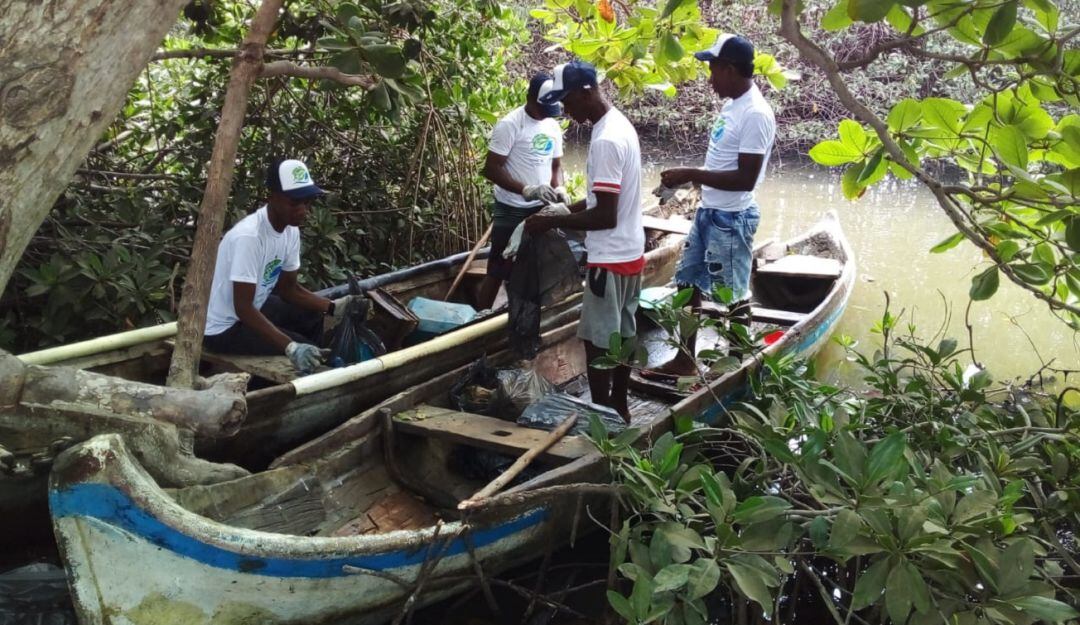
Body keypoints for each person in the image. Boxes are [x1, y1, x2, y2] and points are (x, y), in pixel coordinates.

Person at [650, 34, 776, 377]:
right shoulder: (732, 105)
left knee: (732, 294)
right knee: (688, 283)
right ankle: (685, 360)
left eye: (713, 70)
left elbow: (746, 178)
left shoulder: (756, 114)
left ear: (731, 69)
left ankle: (735, 363)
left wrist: (692, 173)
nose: (710, 79)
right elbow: (722, 163)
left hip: (732, 218)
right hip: (709, 212)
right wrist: (689, 180)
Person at [525, 60, 643, 422]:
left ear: (586, 91)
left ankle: (602, 412)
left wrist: (551, 224)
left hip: (608, 257)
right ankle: (620, 406)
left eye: (568, 100)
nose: (565, 110)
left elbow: (604, 215)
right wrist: (563, 211)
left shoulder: (605, 141)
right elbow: (601, 200)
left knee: (596, 341)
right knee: (624, 333)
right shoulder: (620, 125)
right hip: (632, 252)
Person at [203, 158, 360, 374]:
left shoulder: (290, 230)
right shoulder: (249, 237)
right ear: (273, 197)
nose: (303, 210)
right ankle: (297, 372)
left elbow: (289, 289)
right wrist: (291, 346)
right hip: (223, 328)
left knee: (312, 316)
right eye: (295, 203)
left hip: (253, 307)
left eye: (307, 202)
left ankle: (309, 366)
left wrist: (334, 307)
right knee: (302, 345)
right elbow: (243, 308)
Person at [477, 73, 567, 310]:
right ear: (529, 98)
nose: (547, 112)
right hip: (511, 207)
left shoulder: (552, 125)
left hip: (541, 208)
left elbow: (556, 166)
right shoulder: (510, 125)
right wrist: (526, 189)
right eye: (542, 106)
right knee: (499, 265)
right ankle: (480, 316)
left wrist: (559, 188)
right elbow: (491, 169)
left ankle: (532, 309)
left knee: (538, 264)